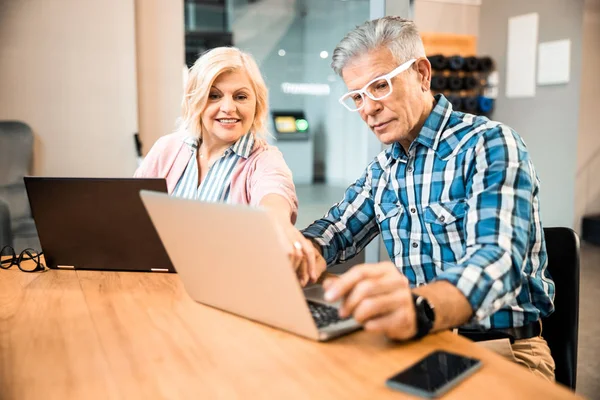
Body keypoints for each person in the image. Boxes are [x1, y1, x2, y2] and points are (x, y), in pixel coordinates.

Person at [298, 17, 556, 381]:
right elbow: (336, 230)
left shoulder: (489, 144)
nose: (367, 109)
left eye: (380, 86)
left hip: (502, 347)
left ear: (422, 73)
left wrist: (420, 308)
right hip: (423, 340)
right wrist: (299, 251)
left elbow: (498, 259)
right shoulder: (384, 168)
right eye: (357, 96)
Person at [135, 47, 313, 277]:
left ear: (256, 104)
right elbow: (134, 215)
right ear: (196, 100)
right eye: (214, 95)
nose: (228, 108)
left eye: (240, 96)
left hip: (229, 288)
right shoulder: (167, 148)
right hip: (163, 284)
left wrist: (277, 225)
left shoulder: (265, 160)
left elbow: (275, 195)